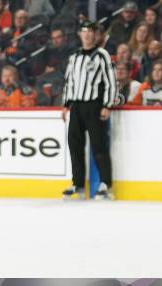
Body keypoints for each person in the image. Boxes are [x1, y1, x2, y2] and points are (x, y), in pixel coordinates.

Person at [62, 20, 118, 200]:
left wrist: (107, 105)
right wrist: (66, 105)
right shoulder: (74, 57)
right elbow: (69, 82)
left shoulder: (102, 55)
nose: (86, 34)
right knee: (75, 146)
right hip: (76, 107)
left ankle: (106, 184)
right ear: (79, 34)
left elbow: (111, 82)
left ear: (95, 34)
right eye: (83, 31)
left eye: (90, 31)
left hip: (94, 106)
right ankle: (77, 184)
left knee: (99, 146)